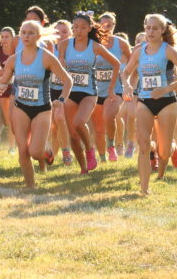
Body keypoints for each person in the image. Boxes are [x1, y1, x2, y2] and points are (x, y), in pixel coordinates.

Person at [122, 14, 177, 194]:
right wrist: (127, 86)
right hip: (145, 101)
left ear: (162, 30)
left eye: (155, 28)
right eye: (148, 28)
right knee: (144, 145)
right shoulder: (139, 51)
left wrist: (164, 89)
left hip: (167, 102)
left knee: (163, 151)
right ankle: (144, 189)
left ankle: (163, 168)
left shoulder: (168, 50)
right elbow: (126, 72)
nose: (151, 31)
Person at [0, 20, 72, 187]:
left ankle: (46, 151)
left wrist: (61, 100)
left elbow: (68, 80)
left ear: (38, 36)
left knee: (35, 151)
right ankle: (30, 186)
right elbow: (4, 80)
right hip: (21, 107)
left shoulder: (46, 57)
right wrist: (1, 86)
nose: (26, 36)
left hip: (42, 109)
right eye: (23, 32)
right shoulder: (14, 59)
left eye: (30, 33)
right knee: (23, 148)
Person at [58, 12, 120, 174]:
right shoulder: (64, 45)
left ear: (89, 29)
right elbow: (60, 65)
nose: (78, 31)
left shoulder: (94, 46)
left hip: (89, 92)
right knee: (72, 135)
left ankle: (90, 151)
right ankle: (83, 168)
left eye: (82, 28)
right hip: (70, 92)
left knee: (79, 123)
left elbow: (116, 63)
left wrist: (112, 87)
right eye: (76, 27)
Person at [91, 12, 131, 162]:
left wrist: (127, 82)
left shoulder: (121, 43)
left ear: (114, 26)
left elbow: (132, 62)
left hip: (115, 90)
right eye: (103, 25)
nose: (106, 28)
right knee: (98, 128)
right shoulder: (93, 43)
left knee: (109, 116)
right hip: (95, 90)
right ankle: (101, 157)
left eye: (109, 25)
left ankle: (111, 145)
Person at [49, 20, 73, 165]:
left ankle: (66, 153)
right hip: (52, 88)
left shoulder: (75, 48)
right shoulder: (49, 48)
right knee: (53, 125)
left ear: (70, 33)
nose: (61, 35)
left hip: (70, 89)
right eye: (57, 32)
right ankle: (53, 154)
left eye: (65, 32)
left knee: (59, 119)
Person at [0, 27, 17, 153]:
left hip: (17, 86)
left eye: (7, 36)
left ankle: (17, 144)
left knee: (16, 116)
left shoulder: (17, 51)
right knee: (8, 118)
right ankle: (12, 146)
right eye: (2, 37)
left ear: (13, 38)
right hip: (3, 88)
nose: (4, 39)